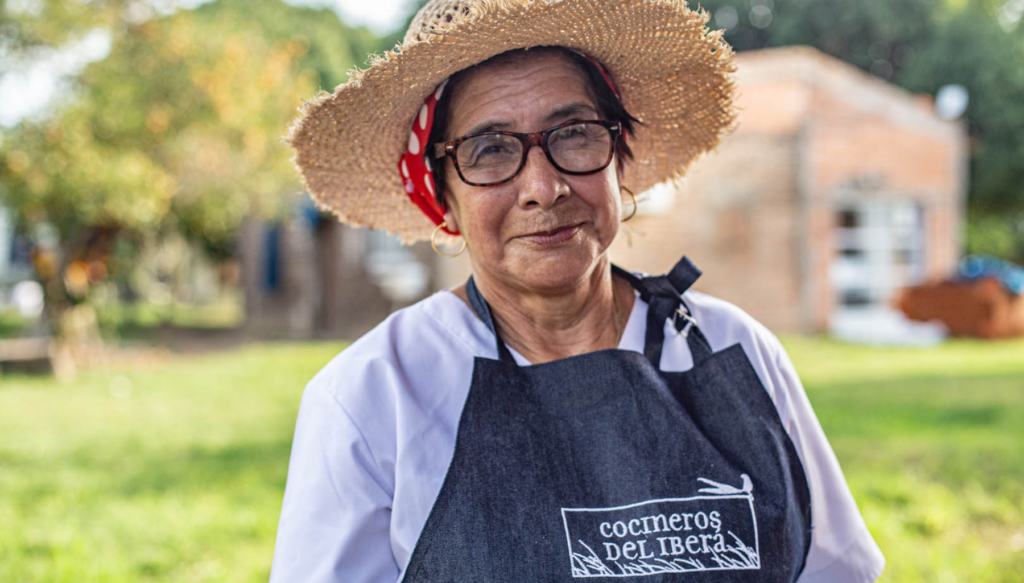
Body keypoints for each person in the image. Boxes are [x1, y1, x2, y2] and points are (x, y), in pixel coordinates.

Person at [270, 1, 885, 581]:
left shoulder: (733, 350)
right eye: (489, 150)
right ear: (445, 203)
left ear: (619, 159)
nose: (544, 186)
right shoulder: (376, 394)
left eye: (574, 134)